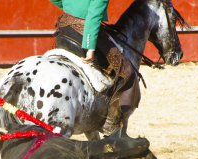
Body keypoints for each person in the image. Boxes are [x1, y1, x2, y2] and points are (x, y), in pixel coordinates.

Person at [50, 0, 140, 135]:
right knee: (126, 71)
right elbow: (93, 16)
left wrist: (71, 8)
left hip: (63, 27)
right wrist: (90, 47)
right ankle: (113, 125)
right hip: (83, 31)